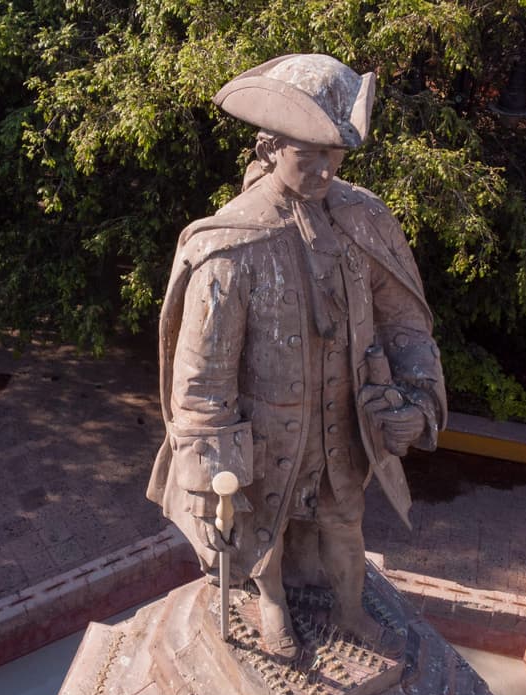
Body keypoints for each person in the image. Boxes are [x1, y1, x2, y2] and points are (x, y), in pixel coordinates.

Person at [147, 54, 447, 659]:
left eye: (334, 154)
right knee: (266, 526)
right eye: (307, 152)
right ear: (268, 147)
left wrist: (418, 396)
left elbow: (406, 323)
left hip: (345, 416)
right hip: (264, 429)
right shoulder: (230, 247)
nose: (323, 170)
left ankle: (351, 610)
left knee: (345, 518)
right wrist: (209, 473)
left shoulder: (365, 220)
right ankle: (273, 604)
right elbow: (202, 380)